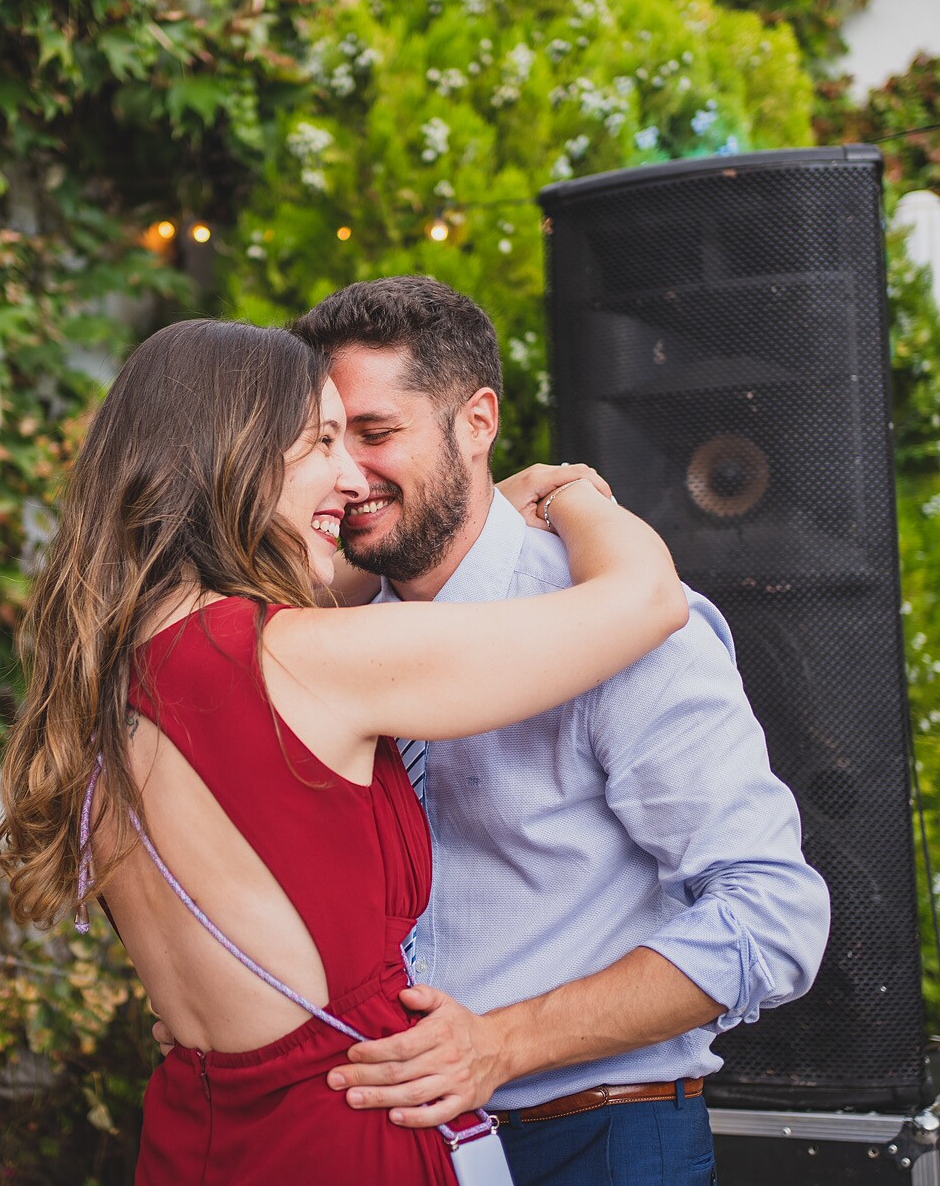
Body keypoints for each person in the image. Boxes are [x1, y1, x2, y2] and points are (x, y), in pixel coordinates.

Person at [0, 318, 689, 1185]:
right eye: (323, 440)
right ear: (235, 453)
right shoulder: (303, 658)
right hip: (349, 1129)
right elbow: (648, 598)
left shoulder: (111, 673)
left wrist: (485, 505)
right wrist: (574, 495)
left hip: (196, 1136)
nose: (352, 475)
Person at [291, 276, 832, 1186]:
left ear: (477, 421)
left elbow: (772, 916)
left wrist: (500, 1044)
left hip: (595, 1139)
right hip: (385, 1141)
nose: (348, 472)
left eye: (376, 433)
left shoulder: (615, 620)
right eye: (327, 441)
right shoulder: (329, 631)